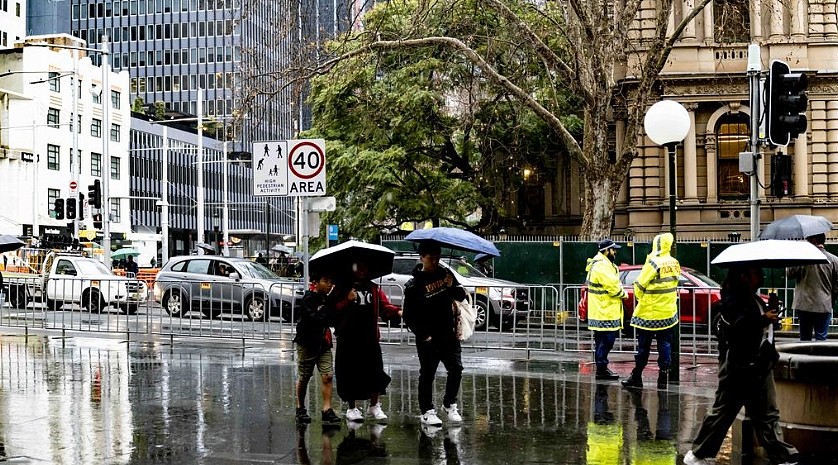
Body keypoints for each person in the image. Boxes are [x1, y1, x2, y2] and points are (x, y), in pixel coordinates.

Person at [683, 265, 799, 465]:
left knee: (767, 413)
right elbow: (739, 328)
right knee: (724, 412)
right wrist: (764, 319)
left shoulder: (753, 298)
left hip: (759, 364)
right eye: (756, 273)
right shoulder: (733, 300)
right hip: (740, 367)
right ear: (743, 276)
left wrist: (770, 316)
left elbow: (760, 328)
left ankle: (782, 456)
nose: (761, 275)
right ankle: (698, 454)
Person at [403, 241, 467, 426]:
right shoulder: (414, 285)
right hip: (428, 337)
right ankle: (427, 410)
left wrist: (450, 286)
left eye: (438, 256)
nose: (435, 260)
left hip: (448, 333)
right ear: (422, 257)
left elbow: (461, 296)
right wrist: (423, 335)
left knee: (456, 368)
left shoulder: (445, 274)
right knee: (428, 374)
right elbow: (409, 315)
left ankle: (450, 403)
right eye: (431, 256)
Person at [333, 261, 402, 424]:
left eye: (365, 267)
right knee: (349, 373)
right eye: (358, 266)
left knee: (375, 371)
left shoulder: (373, 288)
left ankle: (374, 405)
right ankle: (352, 407)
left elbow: (384, 307)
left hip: (369, 336)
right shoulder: (342, 288)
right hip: (348, 337)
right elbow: (334, 309)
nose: (362, 270)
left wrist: (398, 311)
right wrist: (347, 300)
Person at [622, 232, 680, 390]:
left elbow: (640, 285)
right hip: (668, 313)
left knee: (643, 347)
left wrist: (641, 299)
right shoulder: (674, 263)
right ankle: (663, 376)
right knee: (665, 344)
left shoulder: (653, 262)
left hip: (649, 313)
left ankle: (637, 375)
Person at [294, 270, 342, 425]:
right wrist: (328, 309)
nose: (329, 285)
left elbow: (332, 319)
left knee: (327, 375)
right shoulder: (308, 299)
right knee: (304, 377)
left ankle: (327, 409)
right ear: (315, 282)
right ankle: (300, 408)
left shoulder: (326, 299)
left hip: (323, 344)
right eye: (325, 281)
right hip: (307, 344)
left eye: (330, 281)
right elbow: (316, 319)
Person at [585, 238, 627, 380]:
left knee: (602, 341)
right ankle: (602, 368)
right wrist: (624, 294)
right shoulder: (602, 266)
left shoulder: (602, 263)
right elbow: (613, 286)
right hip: (604, 310)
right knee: (607, 340)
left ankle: (601, 368)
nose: (615, 252)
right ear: (606, 250)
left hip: (602, 309)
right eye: (613, 249)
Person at [786, 233, 838, 341]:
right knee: (821, 338)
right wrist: (830, 300)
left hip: (804, 304)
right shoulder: (834, 260)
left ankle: (804, 358)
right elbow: (836, 286)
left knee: (804, 338)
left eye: (808, 240)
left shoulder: (802, 257)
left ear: (813, 240)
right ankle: (820, 357)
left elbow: (789, 274)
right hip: (824, 304)